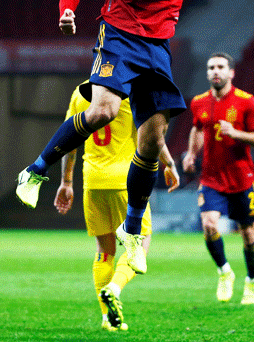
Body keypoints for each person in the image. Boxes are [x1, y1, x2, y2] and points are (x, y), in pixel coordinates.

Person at [16, 0, 213, 276]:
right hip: (119, 33)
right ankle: (35, 171)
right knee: (104, 110)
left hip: (158, 44)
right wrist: (68, 9)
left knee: (151, 138)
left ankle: (132, 230)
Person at [54, 83, 180, 332]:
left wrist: (66, 182)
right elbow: (152, 136)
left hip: (93, 181)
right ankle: (114, 288)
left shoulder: (79, 93)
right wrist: (170, 164)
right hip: (126, 181)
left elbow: (69, 139)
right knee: (141, 242)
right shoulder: (133, 91)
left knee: (104, 251)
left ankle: (106, 318)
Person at [183, 52, 254, 305]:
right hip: (211, 177)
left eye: (220, 67)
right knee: (209, 224)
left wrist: (237, 133)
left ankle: (252, 281)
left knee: (248, 233)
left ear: (231, 72)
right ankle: (224, 272)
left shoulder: (247, 101)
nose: (215, 71)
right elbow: (197, 128)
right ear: (208, 73)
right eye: (211, 67)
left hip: (241, 178)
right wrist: (190, 154)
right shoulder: (198, 102)